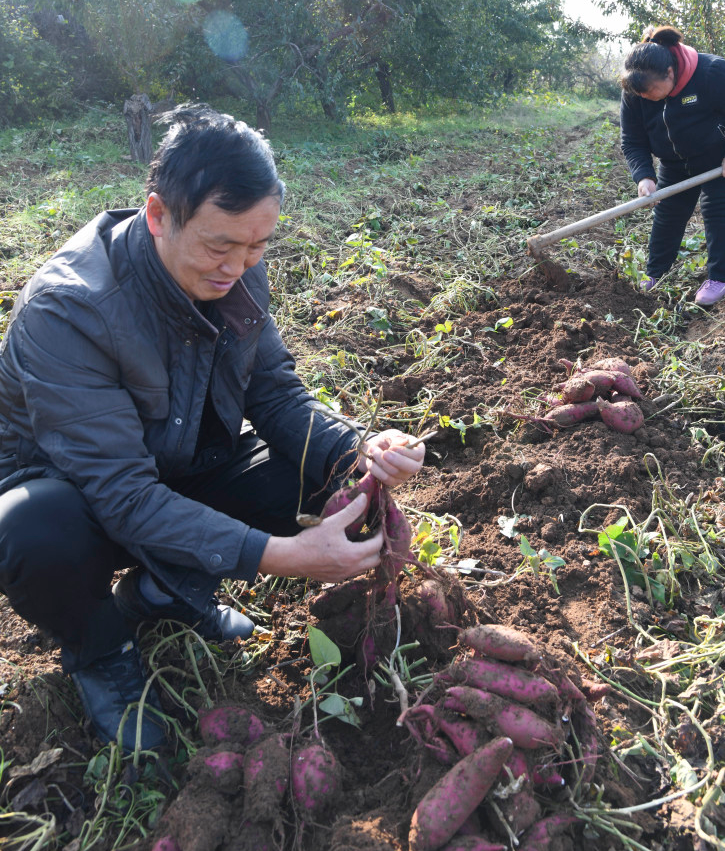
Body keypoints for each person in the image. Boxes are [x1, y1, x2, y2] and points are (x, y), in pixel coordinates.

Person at [0, 105, 425, 752]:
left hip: (177, 461)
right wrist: (283, 556)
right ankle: (99, 649)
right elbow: (121, 494)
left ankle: (166, 593)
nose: (238, 266)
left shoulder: (236, 270)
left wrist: (361, 447)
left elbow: (277, 393)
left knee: (334, 478)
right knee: (34, 532)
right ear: (158, 216)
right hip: (75, 492)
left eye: (257, 247)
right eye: (221, 246)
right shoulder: (71, 310)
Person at [620, 26, 725, 306]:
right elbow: (632, 139)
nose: (647, 98)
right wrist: (644, 176)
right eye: (642, 95)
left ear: (670, 74)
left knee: (717, 207)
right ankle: (655, 273)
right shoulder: (636, 89)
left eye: (652, 92)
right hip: (676, 159)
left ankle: (721, 279)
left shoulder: (711, 72)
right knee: (669, 211)